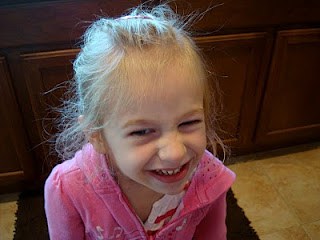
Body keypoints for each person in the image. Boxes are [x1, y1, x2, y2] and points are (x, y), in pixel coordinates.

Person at [44, 3, 235, 240]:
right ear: (97, 136)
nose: (175, 153)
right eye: (143, 131)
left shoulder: (209, 179)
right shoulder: (67, 190)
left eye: (188, 123)